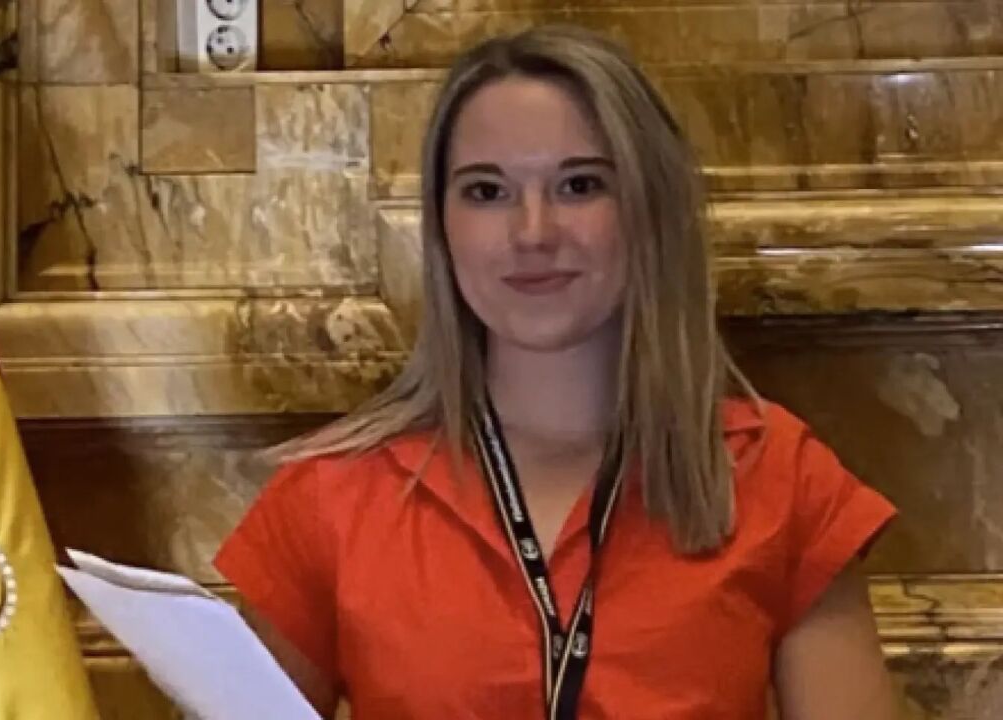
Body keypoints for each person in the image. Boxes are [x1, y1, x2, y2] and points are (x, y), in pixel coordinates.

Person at [215, 24, 898, 720]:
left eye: (579, 185)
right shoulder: (330, 497)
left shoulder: (777, 477)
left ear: (651, 210)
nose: (533, 232)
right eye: (487, 191)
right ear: (442, 226)